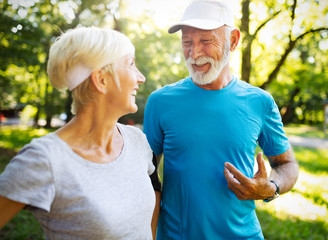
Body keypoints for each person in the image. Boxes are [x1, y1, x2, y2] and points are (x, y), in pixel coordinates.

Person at [143, 0, 299, 239]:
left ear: (233, 41)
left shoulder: (260, 101)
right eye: (187, 42)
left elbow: (287, 164)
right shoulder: (160, 101)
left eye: (206, 41)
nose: (194, 53)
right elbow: (145, 175)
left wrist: (271, 187)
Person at [0, 27, 161, 240]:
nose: (141, 77)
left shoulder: (137, 141)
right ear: (101, 79)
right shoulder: (44, 159)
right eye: (130, 64)